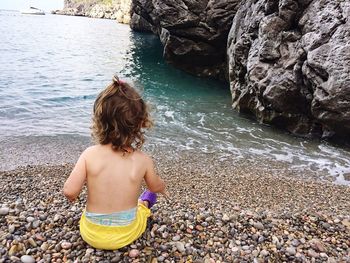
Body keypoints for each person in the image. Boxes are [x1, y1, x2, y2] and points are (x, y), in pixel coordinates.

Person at [63, 75, 166, 250]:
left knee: (87, 214)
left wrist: (74, 197)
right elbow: (155, 187)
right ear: (140, 124)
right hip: (126, 233)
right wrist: (161, 187)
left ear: (98, 120)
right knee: (142, 206)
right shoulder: (143, 160)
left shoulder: (89, 154)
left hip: (91, 233)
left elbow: (69, 191)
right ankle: (146, 202)